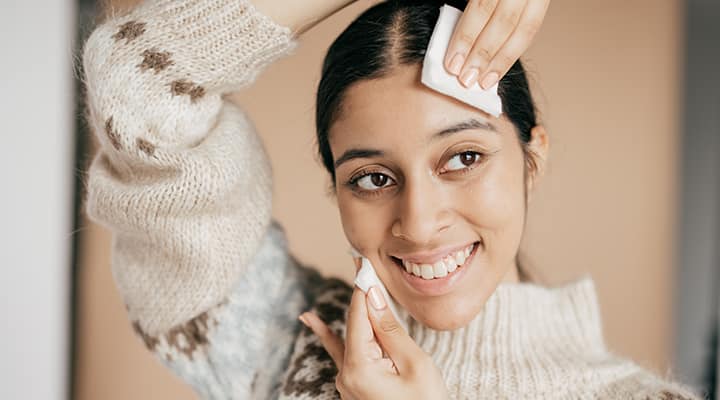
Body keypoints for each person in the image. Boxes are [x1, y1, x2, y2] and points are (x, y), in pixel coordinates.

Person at [81, 0, 703, 398]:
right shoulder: (285, 342)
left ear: (531, 161)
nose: (421, 223)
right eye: (373, 178)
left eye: (463, 158)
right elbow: (138, 83)